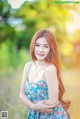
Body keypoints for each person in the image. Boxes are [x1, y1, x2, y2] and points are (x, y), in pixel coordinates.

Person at [20, 29, 71, 119]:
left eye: (46, 46)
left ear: (51, 49)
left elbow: (53, 101)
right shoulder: (28, 66)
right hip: (34, 114)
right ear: (33, 46)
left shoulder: (50, 69)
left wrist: (33, 106)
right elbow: (22, 93)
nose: (41, 50)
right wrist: (33, 106)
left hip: (52, 116)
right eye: (37, 45)